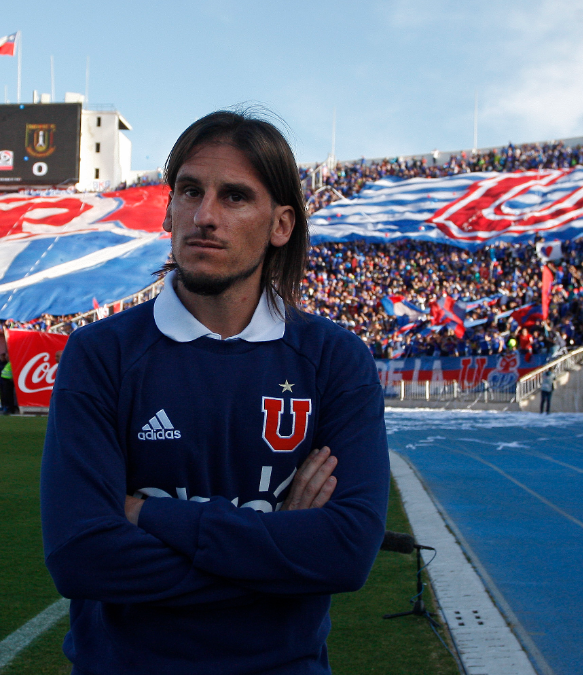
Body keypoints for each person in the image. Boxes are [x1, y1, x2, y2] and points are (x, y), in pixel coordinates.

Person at [41, 110, 389, 675]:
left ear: (281, 225)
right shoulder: (100, 354)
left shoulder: (335, 360)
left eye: (234, 197)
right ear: (168, 208)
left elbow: (346, 554)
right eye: (189, 191)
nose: (204, 216)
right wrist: (281, 552)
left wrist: (148, 516)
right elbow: (80, 557)